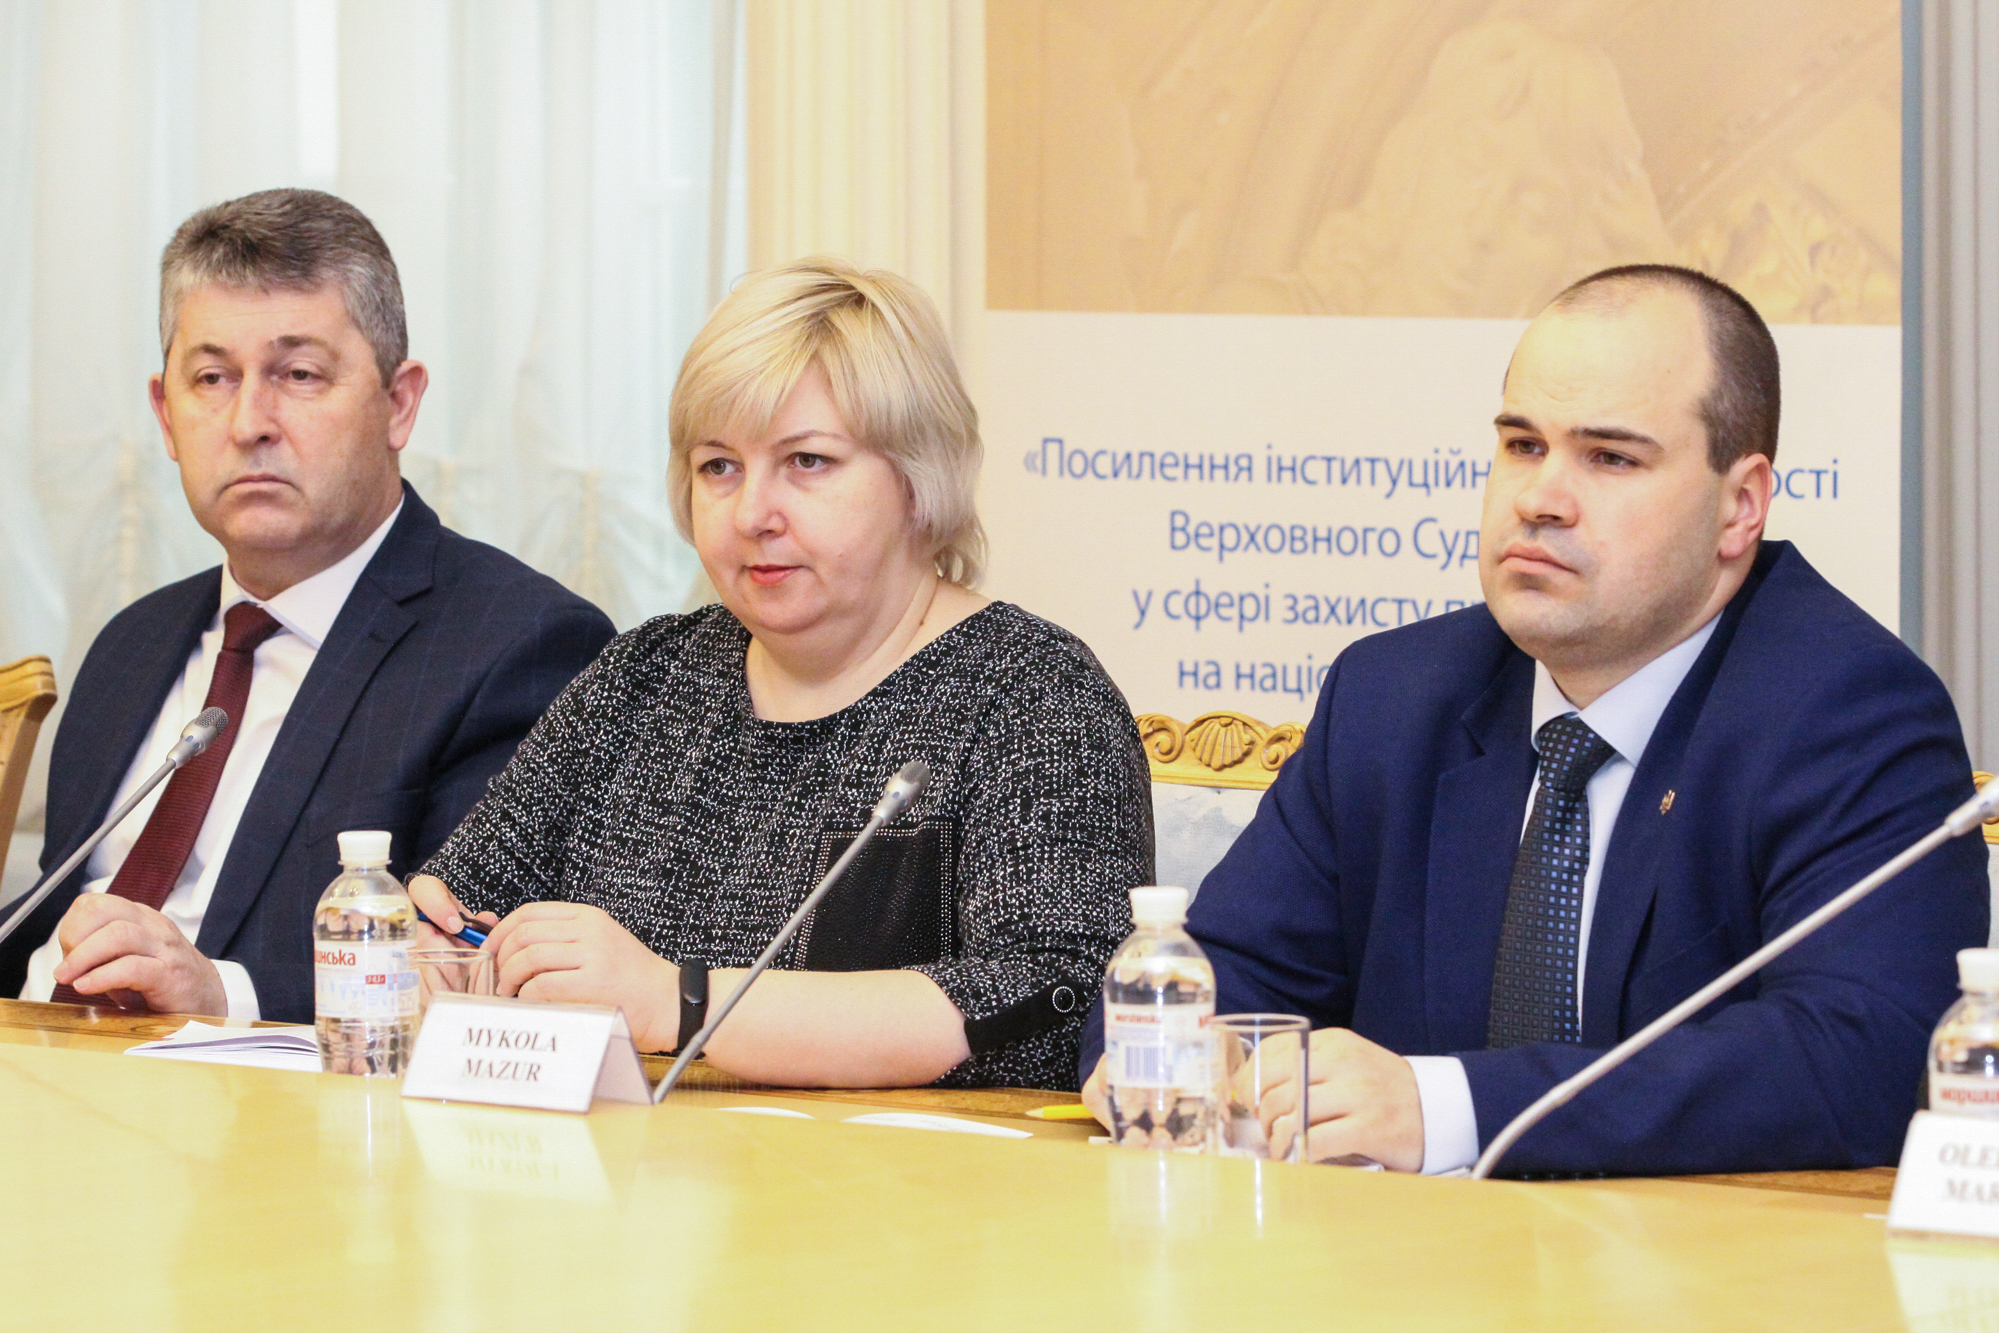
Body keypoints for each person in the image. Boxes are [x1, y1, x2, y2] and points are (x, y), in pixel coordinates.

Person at [1081, 264, 1989, 1175]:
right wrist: (1179, 1061)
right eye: (1521, 444)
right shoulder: (1394, 697)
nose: (1538, 498)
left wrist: (1444, 1107)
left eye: (1609, 458)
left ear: (1738, 506)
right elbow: (1200, 978)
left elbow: (1860, 1055)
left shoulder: (1847, 712)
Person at [411, 257, 1153, 1091]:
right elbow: (459, 905)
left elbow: (1057, 1005)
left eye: (806, 461)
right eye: (718, 466)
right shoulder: (641, 678)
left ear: (918, 478)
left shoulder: (1033, 693)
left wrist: (677, 1001)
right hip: (621, 1165)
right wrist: (440, 951)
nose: (751, 513)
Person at [0, 189, 614, 1024]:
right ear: (166, 416)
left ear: (398, 403)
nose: (249, 422)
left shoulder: (520, 645)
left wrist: (219, 993)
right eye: (211, 378)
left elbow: (469, 970)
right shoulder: (130, 645)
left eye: (298, 375)